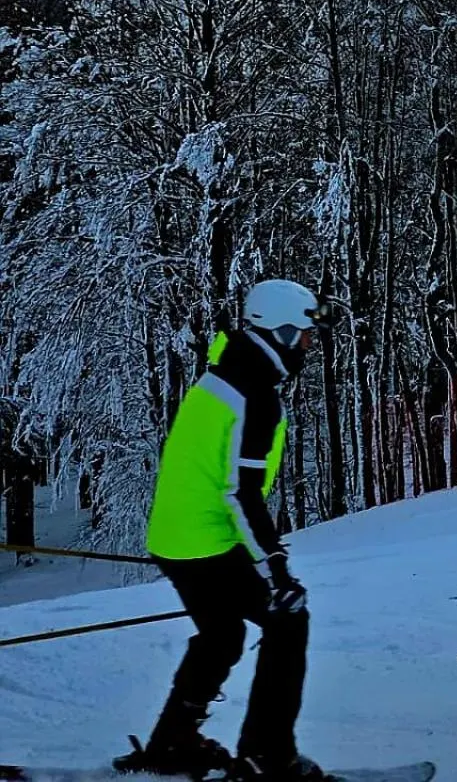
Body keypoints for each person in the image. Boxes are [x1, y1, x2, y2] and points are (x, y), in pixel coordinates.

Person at [116, 280, 330, 782]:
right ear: (280, 330)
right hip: (208, 538)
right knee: (287, 623)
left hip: (175, 536)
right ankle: (267, 757)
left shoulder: (223, 374)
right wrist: (275, 569)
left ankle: (172, 744)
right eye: (304, 334)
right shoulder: (253, 394)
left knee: (222, 634)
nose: (308, 345)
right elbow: (240, 492)